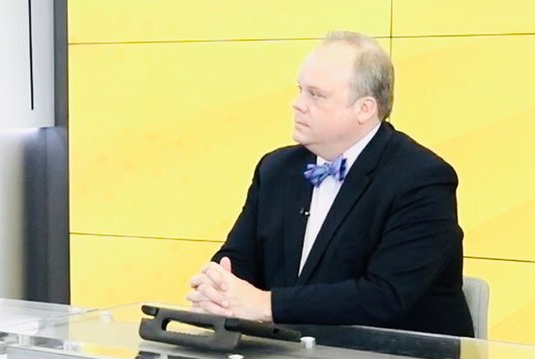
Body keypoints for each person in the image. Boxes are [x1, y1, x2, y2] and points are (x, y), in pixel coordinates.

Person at [187, 31, 473, 337]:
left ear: (364, 108)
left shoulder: (422, 179)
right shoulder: (276, 169)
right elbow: (238, 259)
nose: (297, 104)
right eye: (300, 90)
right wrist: (217, 288)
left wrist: (265, 304)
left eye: (315, 95)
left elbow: (384, 297)